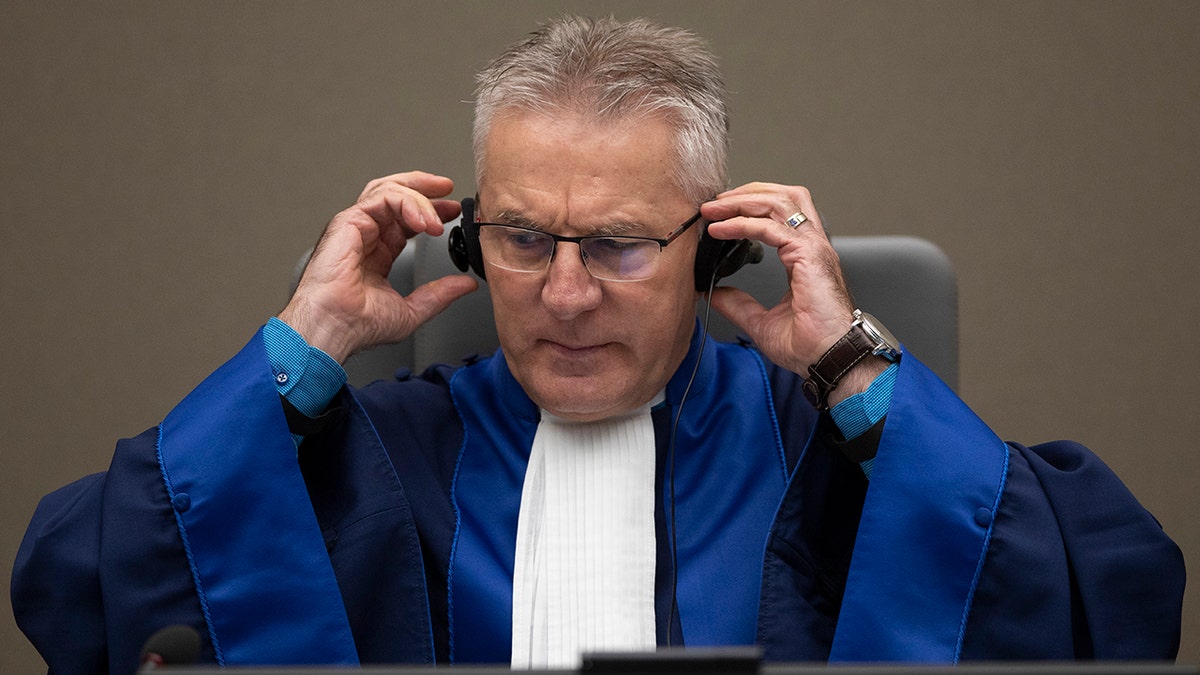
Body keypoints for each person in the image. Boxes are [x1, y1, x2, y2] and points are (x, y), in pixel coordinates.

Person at [12, 15, 1184, 673]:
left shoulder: (822, 448)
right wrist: (304, 343)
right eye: (523, 239)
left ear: (713, 248)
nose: (563, 297)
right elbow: (75, 588)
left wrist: (852, 370)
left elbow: (1118, 601)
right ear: (470, 237)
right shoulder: (376, 451)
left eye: (619, 245)